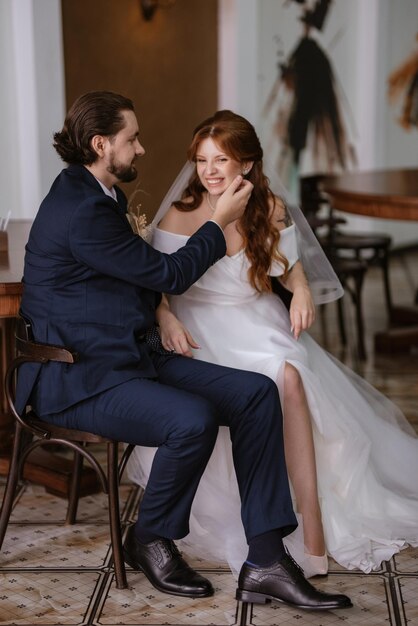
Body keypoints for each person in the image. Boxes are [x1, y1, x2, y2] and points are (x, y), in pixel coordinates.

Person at [16, 91, 351, 611]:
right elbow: (168, 272)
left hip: (125, 356)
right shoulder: (81, 208)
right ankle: (149, 537)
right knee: (191, 420)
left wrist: (163, 312)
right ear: (102, 144)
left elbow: (138, 277)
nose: (143, 149)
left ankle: (265, 561)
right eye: (132, 139)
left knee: (258, 393)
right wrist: (217, 222)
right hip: (77, 377)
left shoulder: (99, 194)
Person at [127, 109, 418, 579]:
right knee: (265, 382)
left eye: (221, 159)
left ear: (246, 163)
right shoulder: (181, 215)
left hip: (257, 318)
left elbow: (291, 266)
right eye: (202, 160)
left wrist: (301, 289)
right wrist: (163, 315)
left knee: (290, 376)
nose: (210, 170)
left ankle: (314, 530)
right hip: (201, 328)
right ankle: (269, 530)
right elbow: (156, 285)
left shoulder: (269, 208)